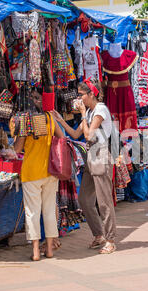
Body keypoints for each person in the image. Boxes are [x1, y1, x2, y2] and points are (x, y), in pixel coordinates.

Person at [51, 78, 117, 254]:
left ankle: (110, 239)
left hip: (101, 155)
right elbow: (74, 133)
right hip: (91, 157)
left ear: (91, 94)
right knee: (85, 200)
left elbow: (88, 136)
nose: (79, 99)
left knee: (104, 202)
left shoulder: (100, 110)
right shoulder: (89, 112)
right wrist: (59, 120)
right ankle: (99, 235)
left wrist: (81, 114)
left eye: (81, 95)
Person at [14, 101, 65, 261]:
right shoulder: (50, 118)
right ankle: (49, 249)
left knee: (32, 212)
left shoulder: (25, 122)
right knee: (49, 210)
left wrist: (17, 137)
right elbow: (62, 137)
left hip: (31, 172)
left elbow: (16, 149)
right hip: (50, 171)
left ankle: (36, 251)